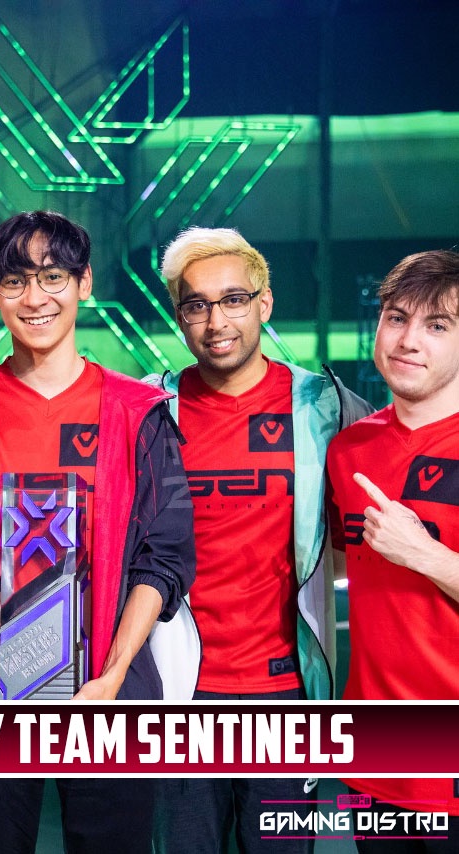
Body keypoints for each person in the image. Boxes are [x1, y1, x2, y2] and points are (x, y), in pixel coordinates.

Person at [0, 210, 197, 854]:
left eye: (53, 277)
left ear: (85, 283)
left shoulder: (138, 412)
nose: (35, 298)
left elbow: (165, 558)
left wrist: (112, 678)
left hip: (111, 693)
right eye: (14, 282)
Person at [150, 226, 371, 854]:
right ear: (179, 317)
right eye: (196, 305)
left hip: (286, 696)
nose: (216, 321)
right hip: (177, 695)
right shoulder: (149, 408)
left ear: (264, 303)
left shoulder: (324, 406)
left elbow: (400, 452)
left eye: (233, 299)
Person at [327, 249, 459, 852]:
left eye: (438, 325)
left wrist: (424, 555)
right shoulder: (350, 449)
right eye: (397, 318)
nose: (408, 340)